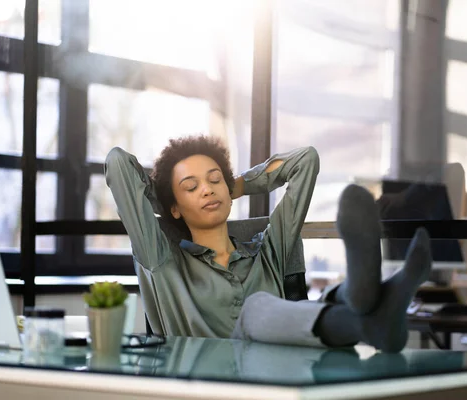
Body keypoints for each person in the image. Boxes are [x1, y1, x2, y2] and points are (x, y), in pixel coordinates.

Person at [105, 135, 432, 352]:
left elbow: (306, 160)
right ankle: (370, 312)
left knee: (308, 304)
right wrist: (163, 200)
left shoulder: (267, 251)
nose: (207, 189)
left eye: (215, 180)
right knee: (255, 310)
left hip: (277, 377)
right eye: (191, 187)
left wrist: (242, 184)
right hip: (203, 386)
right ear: (174, 206)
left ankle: (361, 297)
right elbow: (118, 163)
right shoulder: (163, 260)